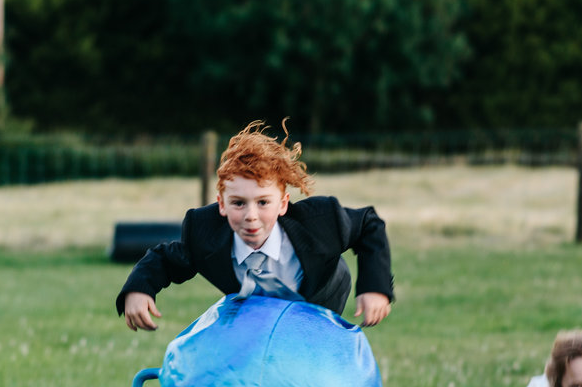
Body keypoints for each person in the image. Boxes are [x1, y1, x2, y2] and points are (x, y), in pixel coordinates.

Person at [116, 119, 394, 330]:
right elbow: (165, 259)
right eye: (238, 203)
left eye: (263, 203)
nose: (251, 215)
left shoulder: (321, 223)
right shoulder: (204, 232)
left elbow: (369, 224)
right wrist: (139, 289)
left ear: (283, 204)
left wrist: (375, 287)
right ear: (221, 204)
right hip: (254, 317)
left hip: (318, 307)